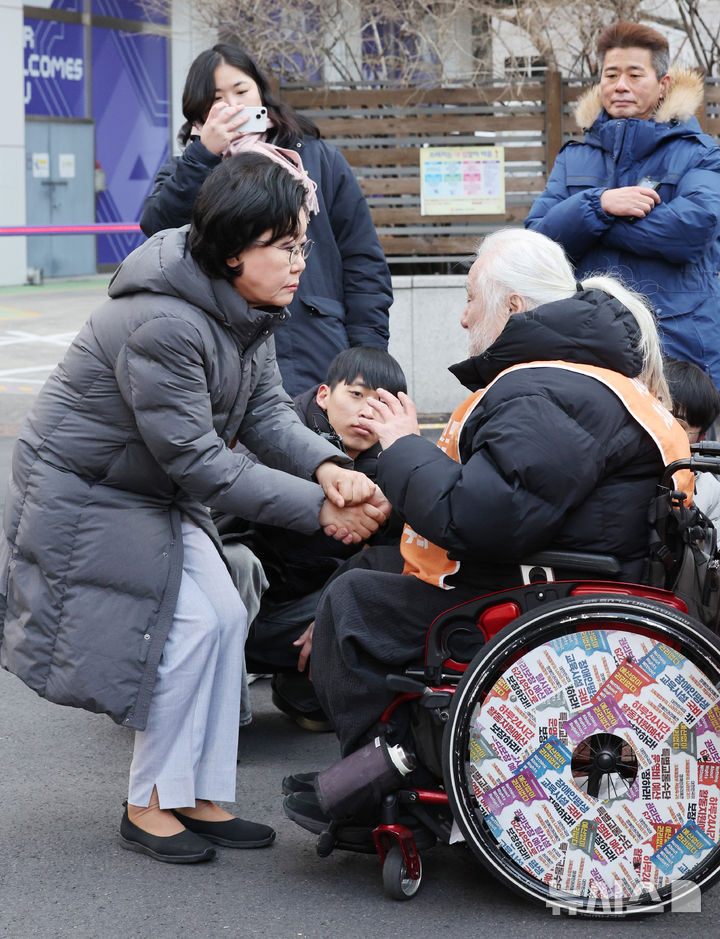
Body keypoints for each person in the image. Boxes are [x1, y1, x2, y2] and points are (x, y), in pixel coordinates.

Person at [0, 152, 389, 865]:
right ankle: (148, 803)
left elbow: (269, 414)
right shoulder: (165, 323)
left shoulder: (249, 307)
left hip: (152, 487)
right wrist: (322, 509)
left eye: (302, 243)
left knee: (225, 616)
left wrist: (330, 466)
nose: (300, 261)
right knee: (181, 630)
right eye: (284, 246)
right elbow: (202, 462)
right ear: (234, 247)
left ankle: (200, 795)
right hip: (88, 490)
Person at [282, 227, 693, 829]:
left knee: (355, 603)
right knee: (370, 568)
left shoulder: (549, 389)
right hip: (563, 579)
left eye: (473, 297)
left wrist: (399, 447)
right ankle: (391, 763)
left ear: (515, 308)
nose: (463, 316)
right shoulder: (576, 379)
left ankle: (396, 779)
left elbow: (478, 517)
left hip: (540, 601)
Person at [139, 42, 392, 397]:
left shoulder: (316, 160)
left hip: (317, 343)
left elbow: (362, 258)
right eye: (217, 99)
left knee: (324, 448)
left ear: (260, 92)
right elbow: (158, 230)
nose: (233, 104)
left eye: (241, 90)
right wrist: (203, 156)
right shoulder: (189, 170)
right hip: (224, 347)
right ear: (198, 114)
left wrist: (367, 351)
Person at [218, 346, 407, 732]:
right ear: (324, 394)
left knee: (394, 582)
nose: (366, 411)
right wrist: (322, 500)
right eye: (355, 395)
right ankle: (212, 716)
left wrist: (332, 609)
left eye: (380, 402)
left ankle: (301, 689)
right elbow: (226, 517)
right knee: (238, 560)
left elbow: (400, 554)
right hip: (236, 602)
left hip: (297, 615)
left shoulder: (391, 462)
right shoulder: (278, 434)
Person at [525, 21, 720, 385]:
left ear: (662, 84)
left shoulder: (701, 154)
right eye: (610, 75)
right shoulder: (574, 159)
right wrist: (599, 204)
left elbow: (692, 230)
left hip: (678, 347)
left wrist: (594, 225)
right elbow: (536, 242)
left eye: (634, 74)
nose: (620, 86)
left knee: (679, 442)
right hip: (589, 343)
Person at [665, 356, 720, 526]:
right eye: (661, 417)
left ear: (701, 437)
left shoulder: (711, 491)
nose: (664, 429)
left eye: (679, 424)